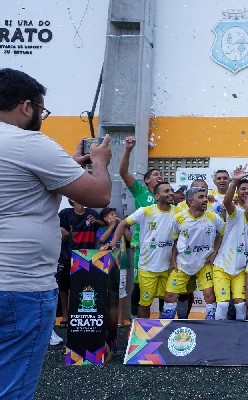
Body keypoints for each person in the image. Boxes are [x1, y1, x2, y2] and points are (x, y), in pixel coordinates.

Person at [0, 68, 112, 399]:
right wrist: (100, 161)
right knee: (12, 388)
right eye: (42, 110)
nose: (42, 118)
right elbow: (99, 195)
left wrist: (69, 163)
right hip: (20, 286)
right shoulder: (30, 143)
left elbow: (23, 185)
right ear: (26, 106)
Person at [104, 182, 176, 319]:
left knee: (168, 301)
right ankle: (141, 335)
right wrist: (113, 243)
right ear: (156, 196)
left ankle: (165, 332)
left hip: (168, 268)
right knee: (145, 303)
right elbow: (123, 223)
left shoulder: (179, 212)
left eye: (171, 190)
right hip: (147, 267)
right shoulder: (146, 211)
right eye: (166, 191)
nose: (171, 193)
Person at [161, 186, 224, 320]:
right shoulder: (179, 218)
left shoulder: (213, 217)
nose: (205, 200)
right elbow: (175, 239)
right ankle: (166, 324)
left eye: (206, 196)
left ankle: (210, 323)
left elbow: (223, 234)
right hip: (183, 263)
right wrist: (172, 260)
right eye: (201, 197)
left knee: (209, 294)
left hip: (204, 263)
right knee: (169, 295)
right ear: (190, 201)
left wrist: (214, 253)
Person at [212, 164, 248, 320]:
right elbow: (228, 201)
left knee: (240, 305)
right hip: (222, 267)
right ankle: (219, 336)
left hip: (240, 270)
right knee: (222, 305)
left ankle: (242, 338)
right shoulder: (236, 214)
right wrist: (234, 181)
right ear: (245, 203)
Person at [119, 135, 163, 320]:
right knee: (139, 286)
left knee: (164, 287)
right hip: (142, 247)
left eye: (161, 174)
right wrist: (128, 150)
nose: (159, 176)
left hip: (164, 248)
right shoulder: (140, 191)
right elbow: (123, 172)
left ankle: (164, 321)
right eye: (155, 174)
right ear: (146, 181)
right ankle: (136, 324)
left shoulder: (168, 197)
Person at [57, 200, 102, 325]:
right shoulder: (65, 213)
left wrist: (97, 222)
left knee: (84, 288)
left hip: (86, 256)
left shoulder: (92, 213)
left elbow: (104, 225)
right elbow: (54, 225)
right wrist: (61, 229)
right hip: (67, 255)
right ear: (72, 200)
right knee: (64, 287)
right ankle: (65, 316)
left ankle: (80, 315)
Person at [97, 207, 132, 327]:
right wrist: (112, 226)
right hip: (105, 262)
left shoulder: (121, 227)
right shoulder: (102, 229)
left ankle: (120, 320)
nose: (114, 216)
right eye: (112, 214)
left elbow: (130, 239)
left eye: (115, 214)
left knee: (121, 290)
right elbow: (102, 239)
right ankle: (108, 318)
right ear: (105, 218)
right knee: (107, 290)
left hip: (121, 262)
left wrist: (122, 224)